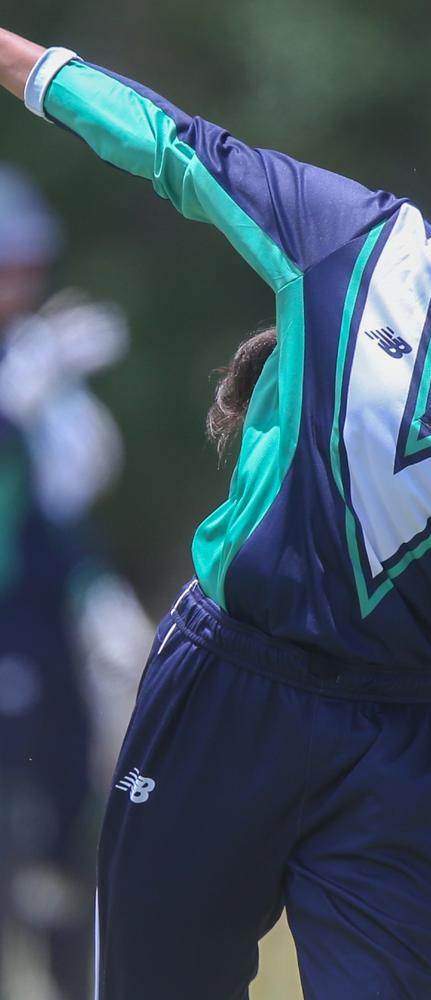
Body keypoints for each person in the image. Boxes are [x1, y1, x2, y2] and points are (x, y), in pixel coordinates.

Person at [0, 27, 431, 1000]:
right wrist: (17, 59)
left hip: (396, 751)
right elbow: (174, 144)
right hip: (221, 692)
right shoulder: (358, 243)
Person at [0, 162, 153, 999]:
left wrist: (97, 593)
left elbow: (78, 487)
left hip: (41, 628)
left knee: (64, 830)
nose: (23, 284)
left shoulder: (33, 360)